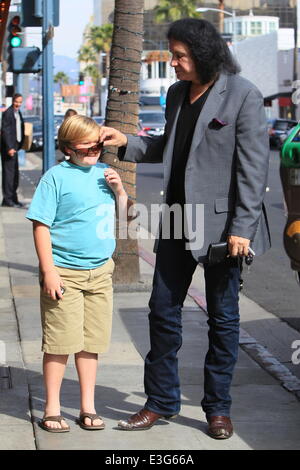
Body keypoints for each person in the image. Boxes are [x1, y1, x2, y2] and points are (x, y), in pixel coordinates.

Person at [99, 18, 271, 439]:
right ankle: (160, 401)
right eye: (173, 55)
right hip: (177, 221)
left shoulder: (243, 95)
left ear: (204, 55)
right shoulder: (177, 94)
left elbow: (252, 168)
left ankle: (217, 409)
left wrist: (241, 228)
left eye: (180, 56)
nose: (172, 63)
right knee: (162, 310)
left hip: (223, 229)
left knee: (223, 320)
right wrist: (122, 141)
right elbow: (165, 146)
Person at [26, 115, 128, 432]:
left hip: (99, 273)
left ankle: (88, 406)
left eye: (98, 145)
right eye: (86, 146)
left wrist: (121, 192)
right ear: (68, 147)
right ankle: (52, 408)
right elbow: (41, 226)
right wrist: (49, 271)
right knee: (59, 343)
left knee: (90, 343)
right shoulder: (55, 178)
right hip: (64, 273)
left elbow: (126, 221)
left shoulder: (105, 175)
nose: (94, 150)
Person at [1, 93, 25, 207]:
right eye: (16, 102)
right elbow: (5, 131)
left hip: (15, 146)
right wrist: (9, 147)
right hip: (9, 148)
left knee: (15, 175)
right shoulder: (8, 113)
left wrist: (18, 145)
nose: (18, 104)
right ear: (13, 101)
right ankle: (7, 200)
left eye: (20, 102)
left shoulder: (17, 113)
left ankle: (13, 198)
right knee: (9, 175)